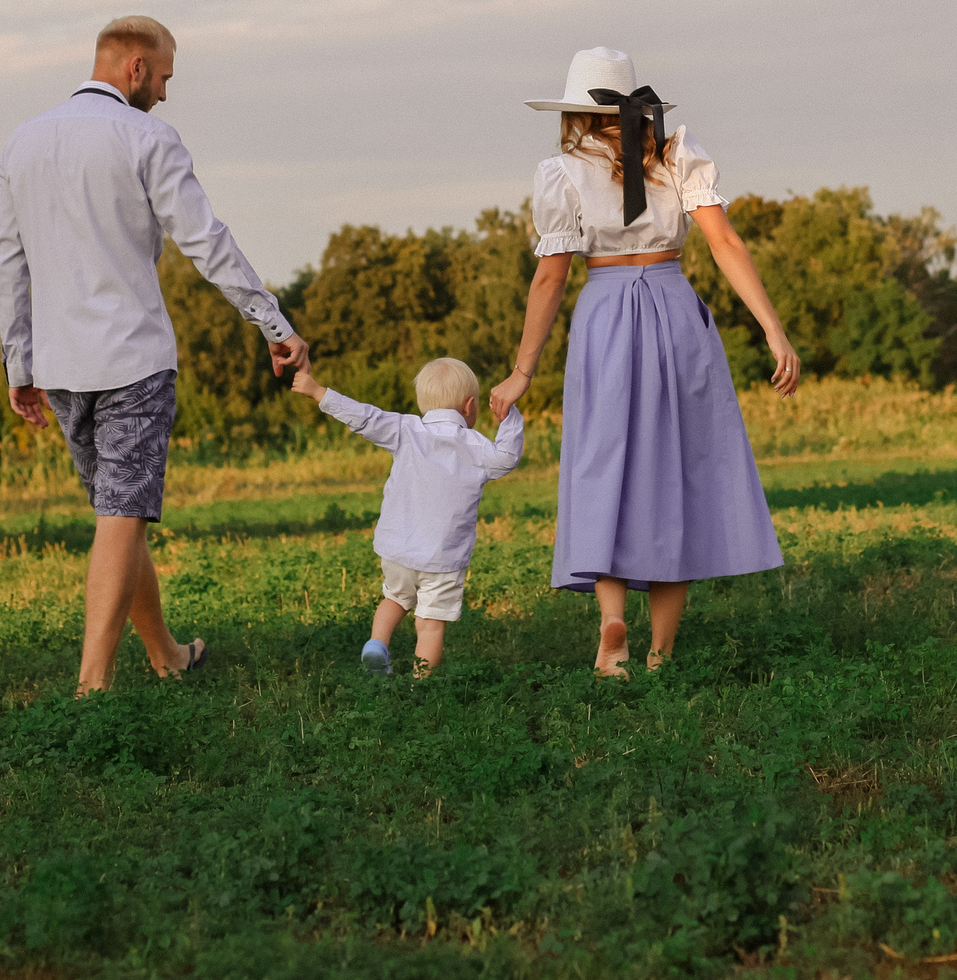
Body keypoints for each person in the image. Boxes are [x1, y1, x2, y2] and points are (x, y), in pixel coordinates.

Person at [0, 15, 308, 694]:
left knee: (119, 514)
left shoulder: (22, 142)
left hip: (61, 366)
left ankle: (166, 653)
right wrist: (272, 321)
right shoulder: (146, 137)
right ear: (135, 67)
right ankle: (93, 686)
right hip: (132, 361)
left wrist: (18, 363)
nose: (164, 92)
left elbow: (9, 262)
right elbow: (206, 240)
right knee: (120, 516)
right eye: (163, 76)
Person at [488, 47, 800, 678]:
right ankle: (660, 654)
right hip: (674, 310)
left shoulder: (562, 173)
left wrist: (523, 370)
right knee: (673, 473)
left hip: (604, 316)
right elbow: (725, 242)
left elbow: (550, 278)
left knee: (601, 466)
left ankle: (613, 622)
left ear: (574, 112)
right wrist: (773, 330)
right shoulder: (676, 155)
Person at [289, 355, 525, 678]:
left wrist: (318, 391)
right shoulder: (476, 447)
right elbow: (508, 457)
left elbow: (363, 416)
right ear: (469, 406)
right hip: (442, 560)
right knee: (429, 626)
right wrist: (510, 415)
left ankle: (377, 643)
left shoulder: (405, 429)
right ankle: (418, 687)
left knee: (395, 598)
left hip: (397, 551)